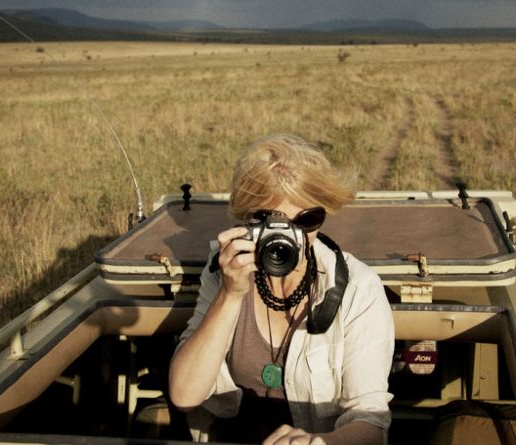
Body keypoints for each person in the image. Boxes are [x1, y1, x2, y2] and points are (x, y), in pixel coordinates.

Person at [169, 135, 394, 445]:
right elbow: (185, 395)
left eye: (308, 220)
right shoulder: (225, 269)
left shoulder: (357, 288)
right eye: (270, 220)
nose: (290, 236)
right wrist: (230, 293)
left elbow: (370, 420)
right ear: (246, 218)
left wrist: (318, 444)